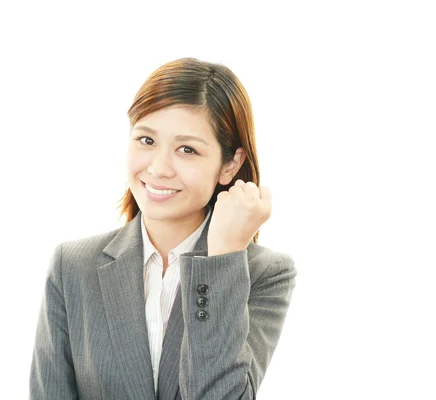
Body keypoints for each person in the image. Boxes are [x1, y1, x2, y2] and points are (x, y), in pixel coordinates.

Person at [29, 57, 297, 399]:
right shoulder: (73, 265)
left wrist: (223, 259)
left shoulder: (264, 273)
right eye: (146, 140)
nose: (158, 168)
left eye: (187, 149)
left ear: (230, 165)